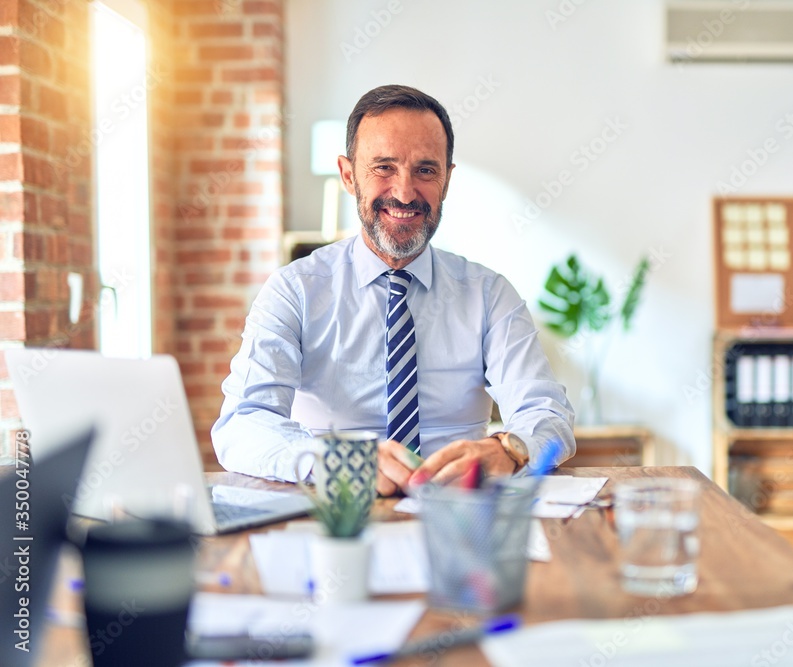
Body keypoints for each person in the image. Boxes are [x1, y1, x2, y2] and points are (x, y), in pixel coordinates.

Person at [212, 84, 575, 496]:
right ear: (349, 176)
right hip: (336, 514)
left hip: (459, 515)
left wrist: (508, 449)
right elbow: (242, 424)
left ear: (447, 180)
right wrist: (336, 461)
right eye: (383, 167)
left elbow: (547, 413)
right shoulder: (294, 291)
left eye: (425, 170)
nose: (404, 193)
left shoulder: (490, 295)